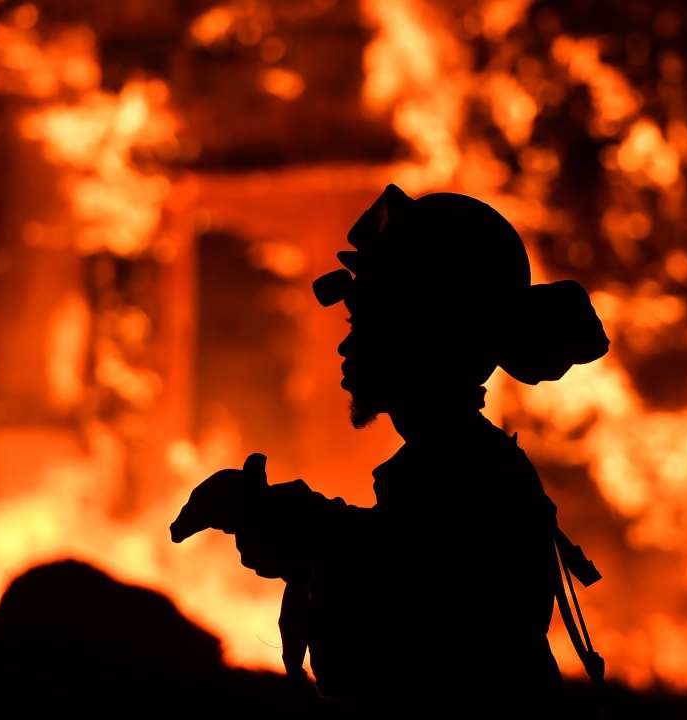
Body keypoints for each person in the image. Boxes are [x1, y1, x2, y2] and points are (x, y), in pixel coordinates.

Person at [171, 185, 609, 712]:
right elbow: (390, 554)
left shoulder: (465, 479)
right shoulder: (462, 467)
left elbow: (410, 620)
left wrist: (294, 526)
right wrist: (282, 519)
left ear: (424, 335)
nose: (346, 343)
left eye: (365, 323)